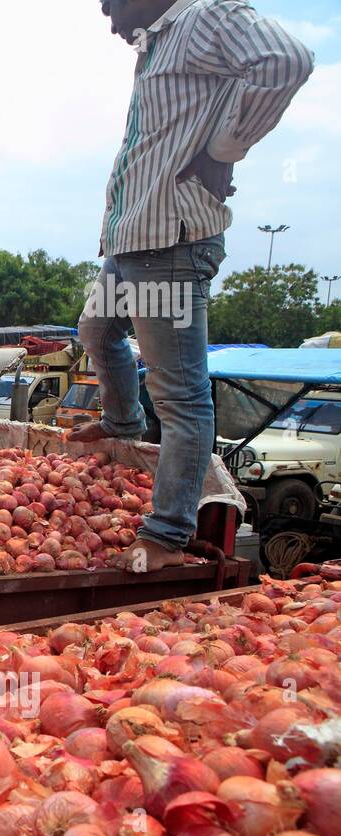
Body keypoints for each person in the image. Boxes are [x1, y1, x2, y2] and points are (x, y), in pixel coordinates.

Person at [76, 0, 312, 573]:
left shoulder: (204, 16)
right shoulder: (157, 41)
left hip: (168, 248)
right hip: (134, 243)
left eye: (112, 3)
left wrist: (223, 151)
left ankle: (167, 532)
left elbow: (287, 59)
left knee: (179, 394)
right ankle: (123, 420)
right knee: (95, 328)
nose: (109, 17)